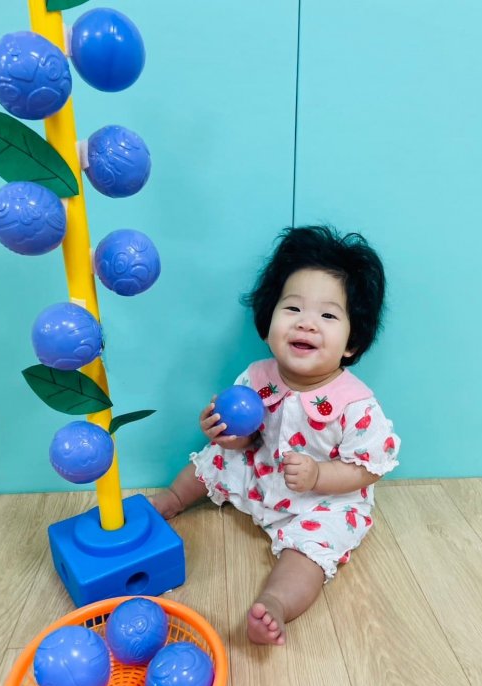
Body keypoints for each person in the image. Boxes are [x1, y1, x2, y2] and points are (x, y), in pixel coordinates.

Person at [150, 225, 400, 645]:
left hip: (324, 498)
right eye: (293, 308)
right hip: (263, 471)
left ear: (352, 342)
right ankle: (173, 499)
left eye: (328, 316)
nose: (307, 323)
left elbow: (369, 468)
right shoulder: (257, 376)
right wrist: (227, 436)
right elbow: (247, 440)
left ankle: (277, 603)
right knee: (215, 457)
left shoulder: (355, 403)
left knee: (311, 550)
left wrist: (320, 475)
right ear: (268, 324)